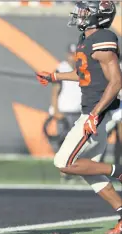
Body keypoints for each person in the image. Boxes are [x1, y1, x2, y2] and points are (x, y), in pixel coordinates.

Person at [36, 1, 122, 234]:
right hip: (93, 110)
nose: (79, 15)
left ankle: (119, 171)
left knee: (64, 163)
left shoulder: (104, 37)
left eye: (85, 12)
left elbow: (115, 81)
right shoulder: (88, 39)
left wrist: (94, 115)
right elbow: (84, 73)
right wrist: (55, 75)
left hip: (98, 111)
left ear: (98, 16)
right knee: (88, 170)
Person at [48, 43, 82, 183]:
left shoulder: (84, 68)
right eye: (71, 54)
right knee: (64, 144)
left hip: (80, 112)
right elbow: (55, 91)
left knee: (79, 144)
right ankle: (65, 173)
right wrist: (56, 110)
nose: (73, 57)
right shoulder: (61, 68)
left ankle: (77, 171)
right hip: (65, 112)